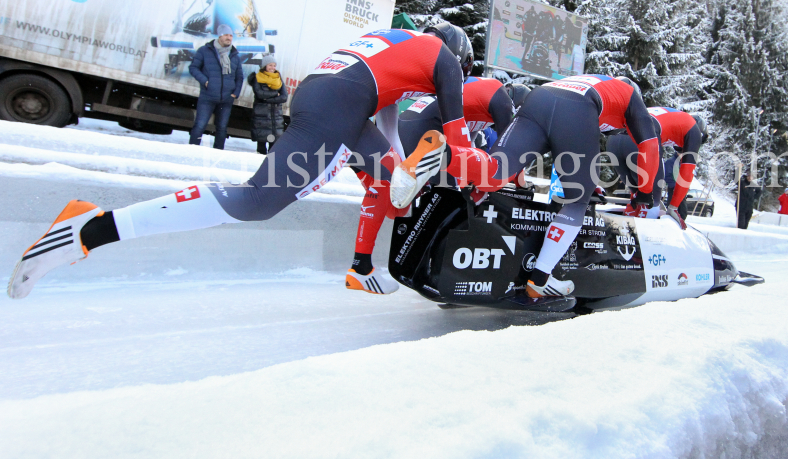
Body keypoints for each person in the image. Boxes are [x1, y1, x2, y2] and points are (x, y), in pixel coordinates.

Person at [9, 24, 477, 300]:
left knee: (396, 180)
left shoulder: (396, 41)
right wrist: (481, 174)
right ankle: (88, 229)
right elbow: (460, 141)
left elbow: (388, 129)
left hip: (334, 94)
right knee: (257, 201)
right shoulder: (446, 61)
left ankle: (363, 267)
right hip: (341, 105)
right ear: (459, 54)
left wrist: (398, 172)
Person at [391, 74, 660, 299]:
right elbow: (650, 145)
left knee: (495, 171)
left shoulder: (591, 82)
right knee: (577, 200)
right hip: (576, 107)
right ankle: (540, 279)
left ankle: (444, 154)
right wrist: (646, 191)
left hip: (539, 98)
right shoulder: (630, 96)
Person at [605, 106, 708, 223]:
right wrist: (673, 207)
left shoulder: (672, 117)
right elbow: (686, 173)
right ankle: (647, 235)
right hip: (640, 139)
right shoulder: (693, 130)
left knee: (638, 195)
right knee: (652, 198)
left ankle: (625, 230)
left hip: (614, 139)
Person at [398, 78, 520, 159]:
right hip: (428, 125)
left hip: (410, 121)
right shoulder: (504, 104)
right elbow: (509, 150)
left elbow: (470, 143)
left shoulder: (487, 93)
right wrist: (520, 183)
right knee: (454, 187)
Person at [189, 24, 244, 150]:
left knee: (222, 128)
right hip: (207, 96)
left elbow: (239, 77)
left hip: (226, 99)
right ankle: (192, 150)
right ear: (219, 36)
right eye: (226, 35)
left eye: (230, 35)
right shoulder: (205, 50)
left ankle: (218, 153)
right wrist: (205, 81)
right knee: (200, 125)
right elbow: (193, 67)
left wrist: (235, 93)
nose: (229, 38)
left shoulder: (234, 54)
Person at [248, 55, 288, 155]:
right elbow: (260, 94)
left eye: (274, 65)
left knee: (273, 144)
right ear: (264, 66)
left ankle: (269, 166)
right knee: (261, 141)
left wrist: (268, 99)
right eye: (270, 65)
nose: (273, 68)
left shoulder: (278, 78)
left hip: (275, 116)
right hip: (261, 115)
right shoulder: (257, 78)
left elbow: (284, 97)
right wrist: (275, 94)